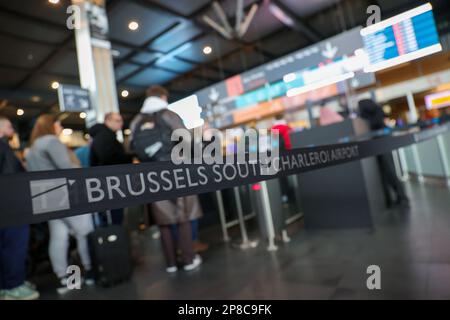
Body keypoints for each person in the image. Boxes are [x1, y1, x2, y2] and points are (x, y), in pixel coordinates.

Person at [130, 85, 202, 273]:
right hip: (175, 170)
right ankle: (188, 260)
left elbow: (130, 147)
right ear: (163, 96)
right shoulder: (168, 114)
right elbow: (186, 140)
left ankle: (170, 263)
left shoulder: (137, 120)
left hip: (151, 174)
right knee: (182, 216)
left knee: (164, 220)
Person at [25, 114, 95, 294]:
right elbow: (66, 167)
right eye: (59, 124)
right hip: (65, 195)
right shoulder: (51, 141)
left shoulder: (31, 149)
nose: (61, 127)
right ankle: (90, 270)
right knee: (84, 232)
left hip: (45, 198)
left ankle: (64, 278)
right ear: (51, 125)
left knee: (59, 237)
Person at [0, 116, 40, 300]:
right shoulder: (2, 146)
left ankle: (9, 284)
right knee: (14, 246)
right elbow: (11, 176)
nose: (12, 128)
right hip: (11, 205)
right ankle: (13, 286)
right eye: (8, 125)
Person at [358, 99, 410, 209]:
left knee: (389, 171)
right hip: (381, 144)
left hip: (380, 144)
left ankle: (401, 197)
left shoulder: (370, 115)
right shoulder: (377, 111)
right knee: (386, 172)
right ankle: (395, 198)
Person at [89, 112, 133, 225]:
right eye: (117, 121)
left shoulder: (106, 135)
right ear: (108, 121)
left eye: (121, 120)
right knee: (114, 218)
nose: (121, 123)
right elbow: (107, 158)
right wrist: (131, 158)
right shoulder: (104, 136)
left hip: (110, 183)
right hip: (109, 184)